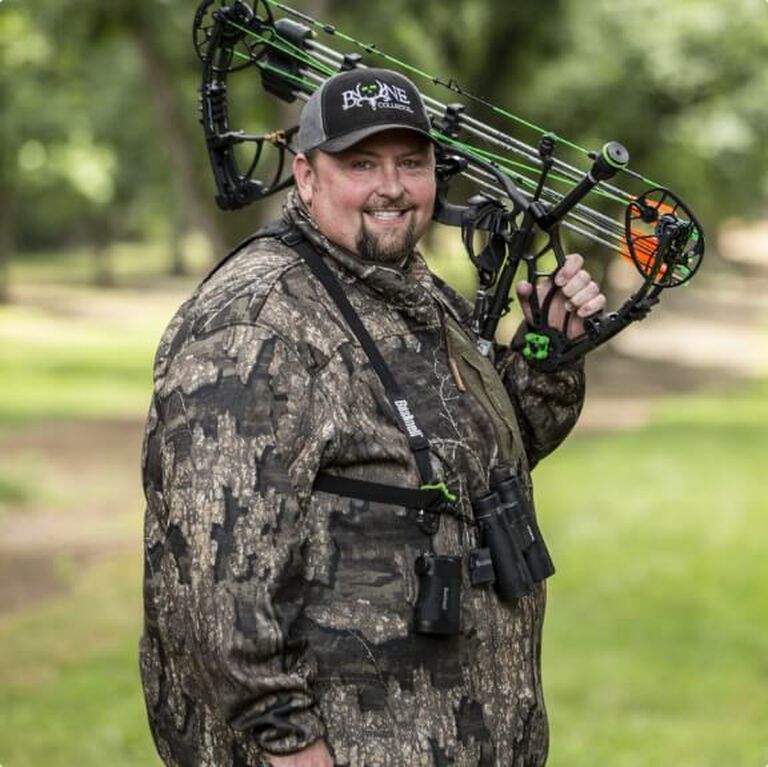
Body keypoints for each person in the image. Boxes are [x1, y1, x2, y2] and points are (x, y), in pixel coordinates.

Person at [140, 68, 606, 767]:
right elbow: (209, 582)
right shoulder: (256, 324)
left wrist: (549, 351)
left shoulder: (409, 290)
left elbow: (474, 468)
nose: (391, 186)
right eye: (361, 163)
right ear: (305, 174)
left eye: (410, 163)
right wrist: (290, 744)